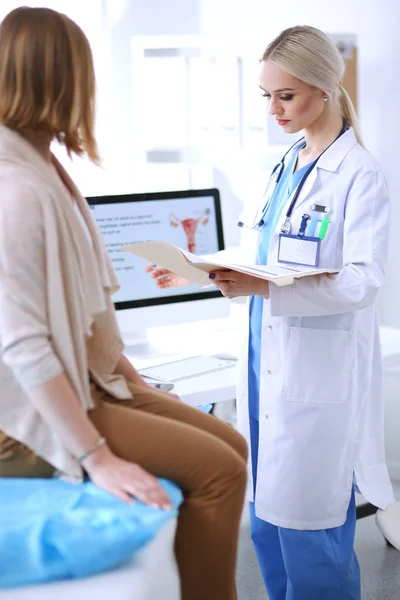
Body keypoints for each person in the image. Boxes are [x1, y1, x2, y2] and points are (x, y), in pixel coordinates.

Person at [0, 8, 248, 600]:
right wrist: (99, 458)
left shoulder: (45, 165)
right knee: (222, 472)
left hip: (96, 378)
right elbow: (24, 344)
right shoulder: (15, 188)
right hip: (27, 415)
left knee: (235, 445)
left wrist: (138, 386)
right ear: (68, 81)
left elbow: (90, 320)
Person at [148, 25, 395, 600]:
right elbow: (263, 254)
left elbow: (362, 282)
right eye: (267, 96)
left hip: (314, 374)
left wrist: (264, 290)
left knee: (311, 532)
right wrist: (197, 268)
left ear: (326, 89)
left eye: (286, 96)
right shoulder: (287, 163)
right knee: (265, 524)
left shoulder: (358, 175)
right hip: (264, 365)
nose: (273, 110)